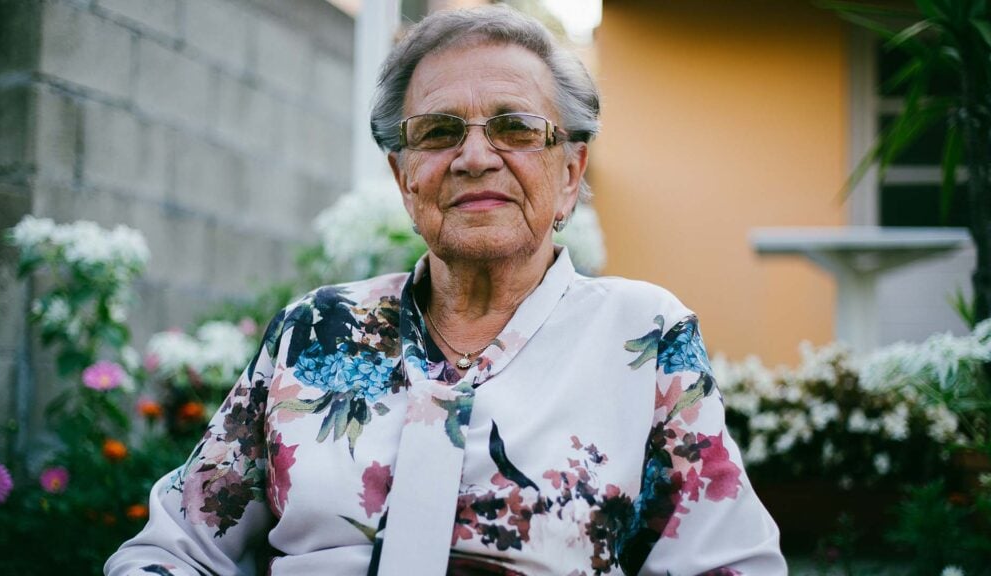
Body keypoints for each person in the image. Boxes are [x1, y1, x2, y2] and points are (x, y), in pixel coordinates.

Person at [106, 5, 786, 575]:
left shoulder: (643, 337)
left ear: (571, 173)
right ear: (405, 178)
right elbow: (177, 547)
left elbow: (726, 565)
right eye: (438, 132)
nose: (474, 156)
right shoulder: (318, 329)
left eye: (516, 127)